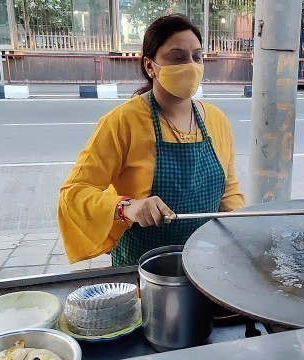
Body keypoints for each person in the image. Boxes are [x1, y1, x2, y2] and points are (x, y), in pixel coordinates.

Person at [58, 15, 245, 266]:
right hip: (143, 270)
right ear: (150, 66)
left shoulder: (216, 119)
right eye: (177, 57)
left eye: (197, 56)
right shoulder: (123, 122)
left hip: (206, 264)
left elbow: (229, 191)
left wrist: (243, 235)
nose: (190, 65)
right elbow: (73, 194)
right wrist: (127, 207)